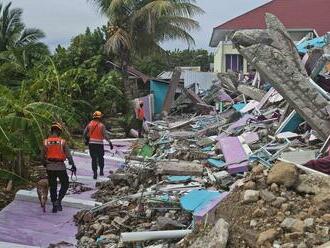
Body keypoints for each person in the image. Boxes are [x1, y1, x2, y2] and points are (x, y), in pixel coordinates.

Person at [42, 122, 76, 213]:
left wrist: (45, 163)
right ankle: (59, 200)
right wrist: (72, 165)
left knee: (53, 186)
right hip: (60, 167)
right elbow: (68, 155)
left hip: (50, 167)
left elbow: (42, 155)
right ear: (59, 131)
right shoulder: (62, 142)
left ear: (52, 130)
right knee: (65, 183)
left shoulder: (46, 141)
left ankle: (54, 204)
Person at [83, 111, 113, 179]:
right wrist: (110, 142)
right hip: (99, 144)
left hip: (92, 144)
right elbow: (105, 135)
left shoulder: (89, 124)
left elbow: (84, 133)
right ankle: (101, 170)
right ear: (100, 118)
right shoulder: (101, 125)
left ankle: (95, 173)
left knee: (93, 159)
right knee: (100, 157)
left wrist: (85, 140)